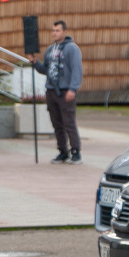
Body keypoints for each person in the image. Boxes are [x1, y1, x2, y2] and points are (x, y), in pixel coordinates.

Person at [27, 20, 83, 165]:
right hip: (51, 90)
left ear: (64, 31)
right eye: (53, 30)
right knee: (56, 122)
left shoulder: (72, 48)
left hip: (65, 90)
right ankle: (62, 151)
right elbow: (46, 69)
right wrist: (35, 63)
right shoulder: (50, 50)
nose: (54, 33)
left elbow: (77, 69)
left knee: (69, 122)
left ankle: (75, 151)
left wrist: (73, 88)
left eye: (57, 30)